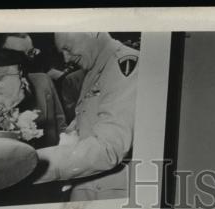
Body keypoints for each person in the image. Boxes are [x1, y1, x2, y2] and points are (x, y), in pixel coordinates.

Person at [31, 33, 139, 200]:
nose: (66, 59)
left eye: (67, 49)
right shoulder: (97, 67)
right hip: (91, 185)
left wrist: (35, 164)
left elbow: (109, 147)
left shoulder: (123, 64)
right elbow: (88, 116)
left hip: (109, 192)